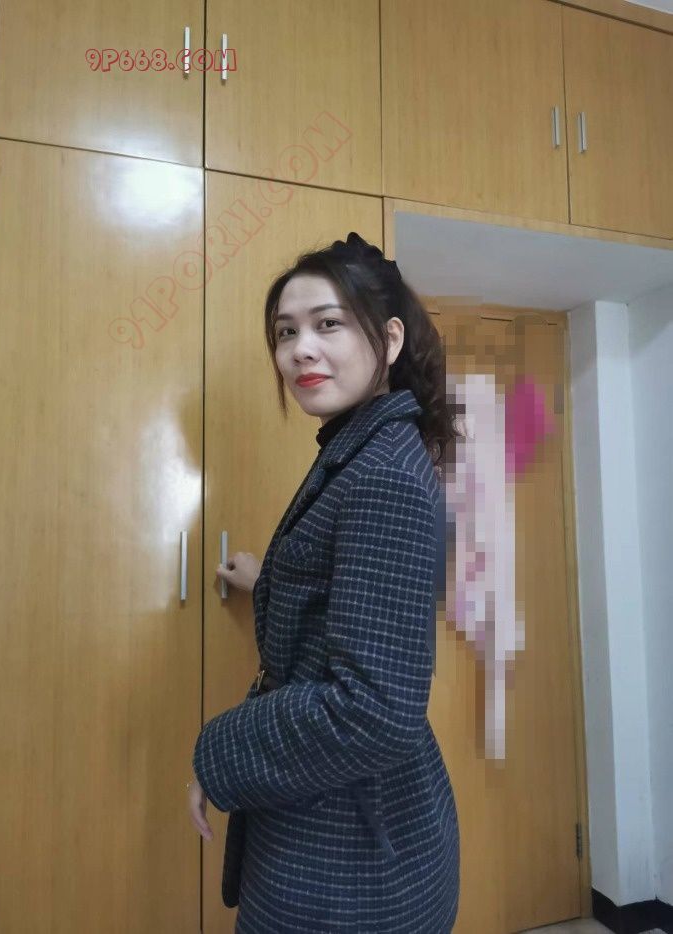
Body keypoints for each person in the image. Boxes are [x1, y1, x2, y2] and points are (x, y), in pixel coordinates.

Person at [188, 232, 462, 932]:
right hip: (341, 830)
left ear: (390, 339)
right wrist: (268, 578)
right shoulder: (361, 445)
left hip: (354, 860)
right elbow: (347, 584)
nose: (300, 350)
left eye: (328, 324)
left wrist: (217, 755)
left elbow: (373, 710)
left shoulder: (382, 475)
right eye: (286, 332)